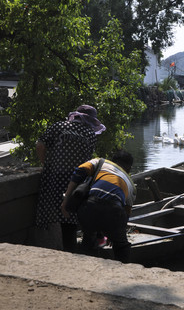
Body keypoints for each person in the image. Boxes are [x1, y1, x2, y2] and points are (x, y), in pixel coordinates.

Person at [34, 105, 106, 252]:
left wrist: (45, 165)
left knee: (55, 214)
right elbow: (88, 162)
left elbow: (40, 145)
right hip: (77, 181)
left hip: (54, 177)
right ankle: (74, 250)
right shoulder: (90, 134)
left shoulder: (58, 126)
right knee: (71, 219)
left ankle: (68, 249)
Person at [61, 149, 136, 263]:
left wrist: (65, 200)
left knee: (89, 237)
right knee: (122, 246)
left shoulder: (100, 162)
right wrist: (115, 233)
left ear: (112, 160)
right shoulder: (131, 184)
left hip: (88, 208)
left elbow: (79, 171)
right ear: (129, 169)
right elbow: (125, 214)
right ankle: (124, 271)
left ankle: (84, 264)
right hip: (114, 212)